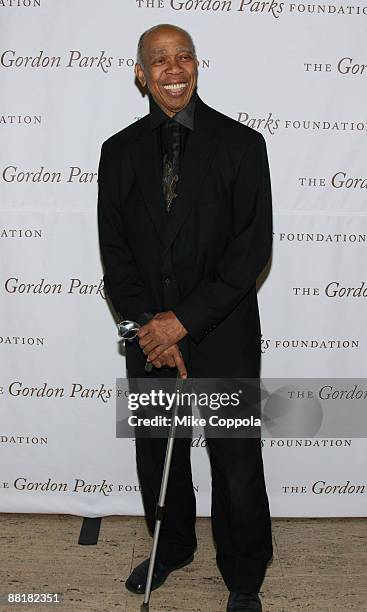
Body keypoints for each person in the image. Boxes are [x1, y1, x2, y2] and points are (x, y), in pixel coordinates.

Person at [97, 23, 273, 612]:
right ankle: (171, 545)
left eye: (184, 57)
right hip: (149, 333)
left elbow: (252, 248)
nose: (174, 69)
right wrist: (153, 326)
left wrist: (185, 321)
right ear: (141, 75)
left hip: (222, 330)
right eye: (160, 60)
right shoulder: (116, 151)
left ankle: (245, 573)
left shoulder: (243, 145)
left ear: (197, 66)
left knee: (235, 456)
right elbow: (114, 252)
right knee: (156, 449)